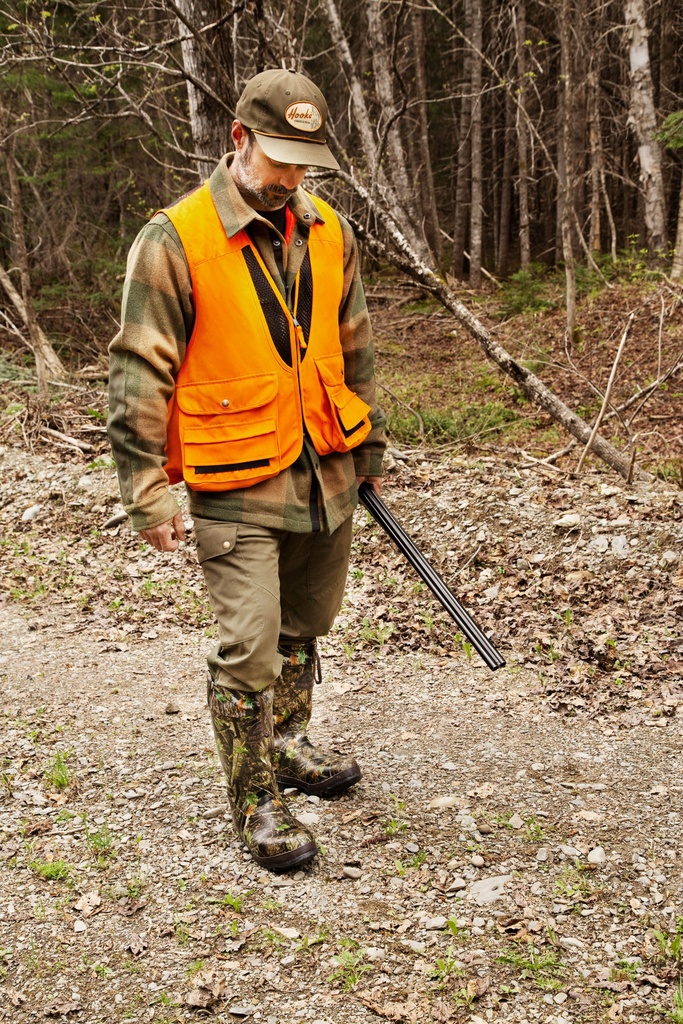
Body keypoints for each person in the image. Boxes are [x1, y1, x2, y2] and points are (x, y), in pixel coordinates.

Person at [108, 68, 386, 873]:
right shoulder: (174, 239)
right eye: (279, 158)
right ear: (239, 140)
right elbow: (139, 371)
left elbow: (356, 343)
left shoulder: (329, 228)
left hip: (326, 468)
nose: (293, 177)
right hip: (234, 481)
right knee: (251, 647)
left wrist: (367, 449)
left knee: (307, 623)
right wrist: (146, 489)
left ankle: (291, 744)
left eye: (306, 161)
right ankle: (254, 797)